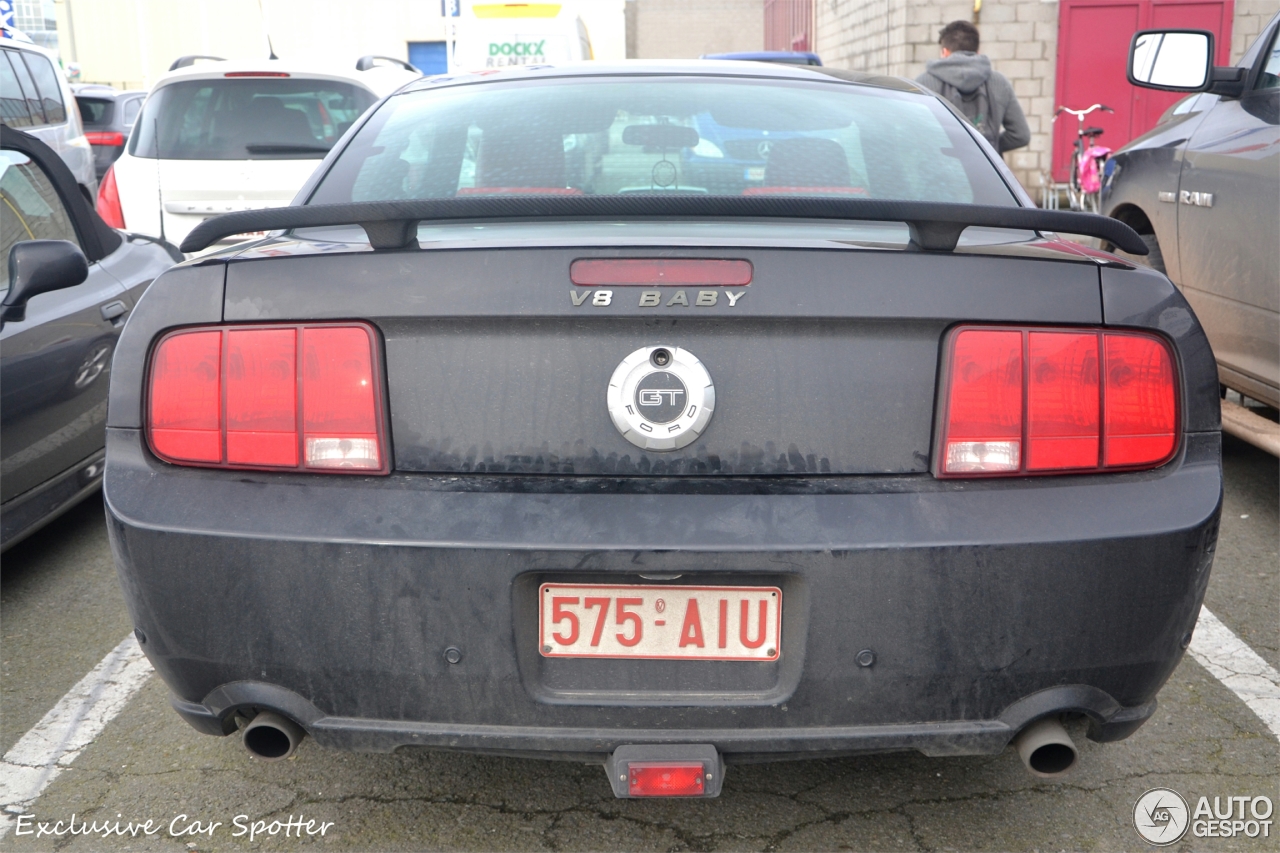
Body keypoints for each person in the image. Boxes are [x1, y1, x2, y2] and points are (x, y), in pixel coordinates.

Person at [916, 20, 1030, 155]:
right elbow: (1021, 135)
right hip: (986, 173)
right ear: (977, 52)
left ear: (945, 52)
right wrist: (987, 147)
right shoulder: (999, 82)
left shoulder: (924, 83)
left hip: (940, 171)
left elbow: (912, 133)